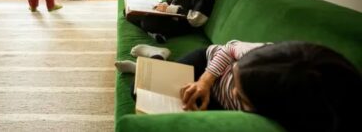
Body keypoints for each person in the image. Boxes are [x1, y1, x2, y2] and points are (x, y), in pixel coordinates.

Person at [115, 41, 361, 132]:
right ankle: (156, 57)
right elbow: (228, 47)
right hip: (207, 63)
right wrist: (206, 80)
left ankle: (153, 64)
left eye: (241, 97)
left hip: (215, 103)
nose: (233, 89)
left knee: (143, 95)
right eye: (236, 77)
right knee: (140, 88)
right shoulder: (266, 54)